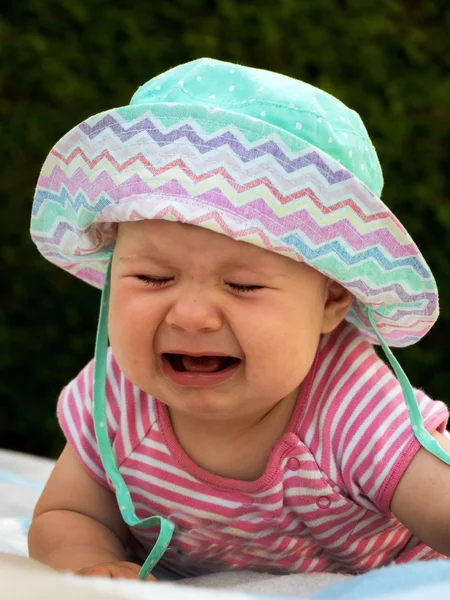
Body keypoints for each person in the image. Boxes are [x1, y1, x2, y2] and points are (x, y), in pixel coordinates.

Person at [27, 57, 450, 582]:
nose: (193, 315)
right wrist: (92, 564)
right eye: (153, 278)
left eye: (243, 285)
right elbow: (69, 515)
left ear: (331, 302)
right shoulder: (118, 397)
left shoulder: (351, 406)